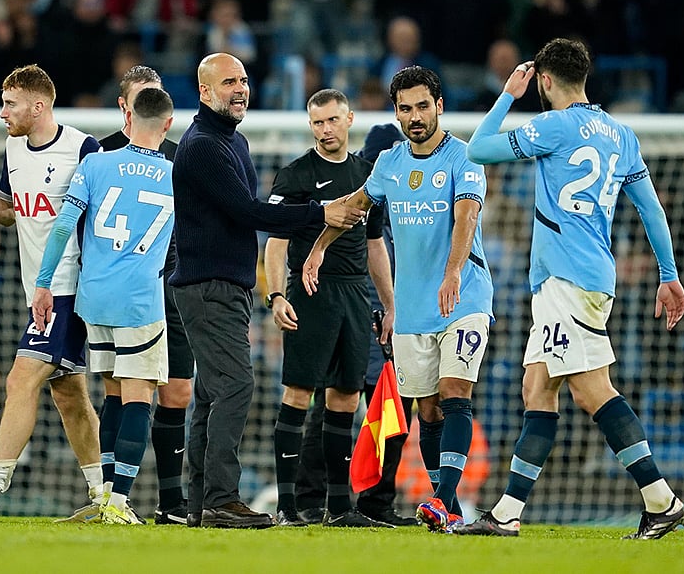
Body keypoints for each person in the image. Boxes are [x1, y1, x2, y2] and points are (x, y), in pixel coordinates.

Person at [459, 37, 684, 540]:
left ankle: (661, 499)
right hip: (582, 277)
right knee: (536, 389)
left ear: (543, 79)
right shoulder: (621, 134)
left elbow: (477, 148)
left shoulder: (552, 125)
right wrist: (668, 275)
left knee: (590, 390)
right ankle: (506, 513)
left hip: (569, 280)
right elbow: (651, 209)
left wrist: (506, 97)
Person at [170, 52, 364, 529]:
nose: (240, 88)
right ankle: (220, 499)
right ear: (204, 92)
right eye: (228, 82)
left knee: (213, 393)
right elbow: (250, 213)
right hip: (208, 284)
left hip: (223, 284)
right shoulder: (202, 147)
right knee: (235, 386)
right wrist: (320, 213)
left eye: (243, 79)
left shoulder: (227, 141)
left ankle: (199, 504)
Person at [301, 66, 494, 533]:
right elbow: (354, 206)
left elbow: (466, 216)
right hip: (412, 309)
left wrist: (453, 273)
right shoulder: (389, 163)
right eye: (405, 108)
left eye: (422, 106)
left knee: (454, 393)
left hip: (463, 298)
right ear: (396, 112)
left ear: (439, 106)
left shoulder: (463, 157)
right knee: (425, 408)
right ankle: (440, 505)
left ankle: (445, 500)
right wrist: (319, 247)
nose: (415, 116)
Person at [0, 64, 104, 524]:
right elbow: (8, 212)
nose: (2, 113)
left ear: (38, 106)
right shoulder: (14, 149)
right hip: (36, 288)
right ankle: (105, 497)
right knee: (70, 396)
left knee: (20, 379)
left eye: (10, 104)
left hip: (69, 288)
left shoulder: (83, 148)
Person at [32, 86, 176, 525]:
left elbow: (62, 228)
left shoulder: (95, 163)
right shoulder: (176, 174)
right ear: (168, 124)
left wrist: (43, 284)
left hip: (93, 297)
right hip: (139, 301)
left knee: (113, 393)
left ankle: (105, 496)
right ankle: (118, 503)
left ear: (128, 116)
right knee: (138, 397)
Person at [264, 89, 396, 528]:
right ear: (310, 125)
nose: (325, 130)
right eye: (318, 122)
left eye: (333, 120)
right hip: (311, 292)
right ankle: (287, 508)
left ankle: (340, 508)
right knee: (299, 393)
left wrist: (389, 305)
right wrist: (276, 295)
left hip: (356, 296)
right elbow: (276, 242)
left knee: (346, 396)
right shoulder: (296, 175)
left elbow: (375, 244)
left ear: (349, 119)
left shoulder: (367, 174)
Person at [100, 64, 193, 524]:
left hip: (173, 285)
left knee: (177, 389)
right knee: (121, 389)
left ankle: (171, 501)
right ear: (124, 105)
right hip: (123, 290)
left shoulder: (179, 157)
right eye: (141, 98)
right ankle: (113, 497)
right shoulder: (100, 154)